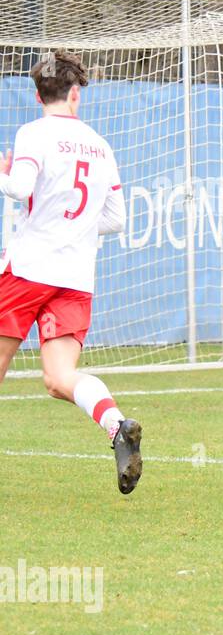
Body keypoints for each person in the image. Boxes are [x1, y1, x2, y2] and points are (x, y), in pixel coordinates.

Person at [0, 50, 143, 494]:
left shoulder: (33, 134)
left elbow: (20, 187)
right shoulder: (100, 144)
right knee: (60, 378)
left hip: (27, 270)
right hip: (76, 278)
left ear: (38, 94)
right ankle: (117, 425)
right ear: (75, 92)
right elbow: (116, 219)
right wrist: (76, 227)